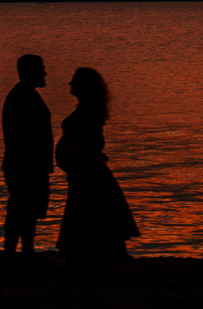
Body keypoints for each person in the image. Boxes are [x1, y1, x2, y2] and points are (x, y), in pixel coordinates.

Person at [56, 67, 139, 266]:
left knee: (88, 211)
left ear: (86, 86)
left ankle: (87, 256)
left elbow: (95, 140)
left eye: (75, 80)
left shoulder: (88, 112)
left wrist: (86, 156)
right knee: (89, 211)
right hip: (81, 169)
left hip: (86, 170)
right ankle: (89, 255)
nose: (70, 83)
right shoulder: (85, 109)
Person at [2, 54, 54, 262]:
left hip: (33, 164)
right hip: (24, 166)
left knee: (29, 211)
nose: (45, 73)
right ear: (29, 72)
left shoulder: (30, 95)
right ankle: (11, 254)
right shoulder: (19, 97)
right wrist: (28, 163)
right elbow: (17, 132)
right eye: (41, 69)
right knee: (19, 209)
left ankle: (26, 252)